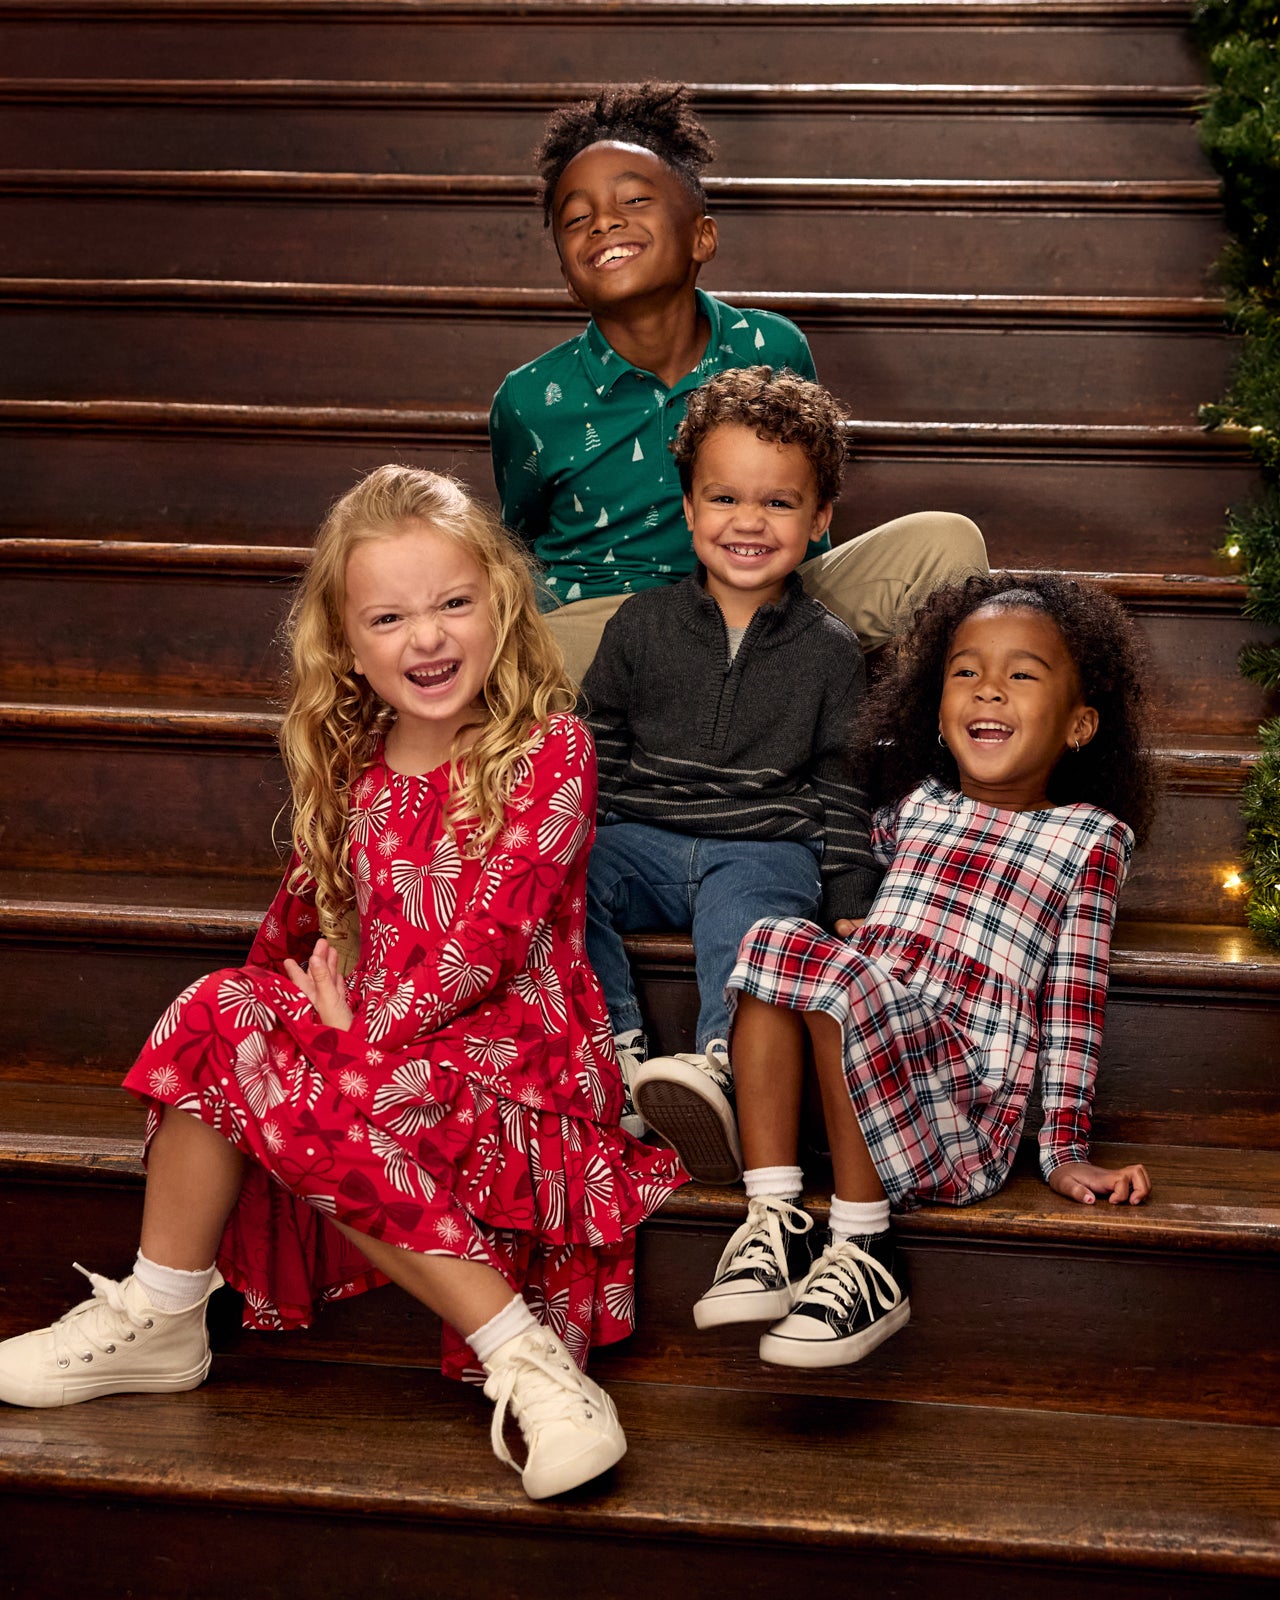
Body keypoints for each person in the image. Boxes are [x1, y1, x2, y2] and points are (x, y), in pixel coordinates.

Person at [0, 465, 685, 1501]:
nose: (428, 637)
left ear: (501, 603)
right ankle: (163, 1309)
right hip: (383, 1043)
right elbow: (292, 940)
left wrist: (348, 1034)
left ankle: (530, 1360)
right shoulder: (354, 762)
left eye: (455, 602)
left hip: (516, 1065)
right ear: (348, 646)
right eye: (390, 615)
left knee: (332, 1076)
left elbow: (483, 945)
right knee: (218, 1011)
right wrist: (283, 1024)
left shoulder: (547, 749)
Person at [686, 573, 1158, 1369]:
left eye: (1022, 675)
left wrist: (1064, 1146)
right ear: (937, 711)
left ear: (1080, 726)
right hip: (866, 1063)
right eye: (966, 672)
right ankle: (773, 1221)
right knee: (774, 939)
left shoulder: (1089, 837)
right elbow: (837, 864)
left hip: (960, 1101)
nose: (990, 691)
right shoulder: (915, 809)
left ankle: (867, 1254)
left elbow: (1076, 1001)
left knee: (842, 982)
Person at [489, 82, 988, 684]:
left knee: (946, 542)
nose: (604, 223)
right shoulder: (530, 398)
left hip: (767, 600)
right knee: (518, 648)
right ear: (569, 277)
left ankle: (793, 682)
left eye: (634, 201)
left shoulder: (771, 348)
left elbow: (805, 492)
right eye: (576, 219)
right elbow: (523, 547)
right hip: (611, 623)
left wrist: (806, 607)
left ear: (702, 236)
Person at [581, 367, 878, 1178]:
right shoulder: (640, 625)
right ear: (687, 508)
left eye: (779, 503)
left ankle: (718, 1070)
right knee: (563, 879)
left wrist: (851, 891)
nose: (750, 522)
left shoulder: (829, 650)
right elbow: (595, 736)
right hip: (638, 834)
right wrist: (566, 834)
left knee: (754, 926)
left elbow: (842, 777)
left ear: (819, 519)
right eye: (724, 499)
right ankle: (613, 1047)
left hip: (762, 845)